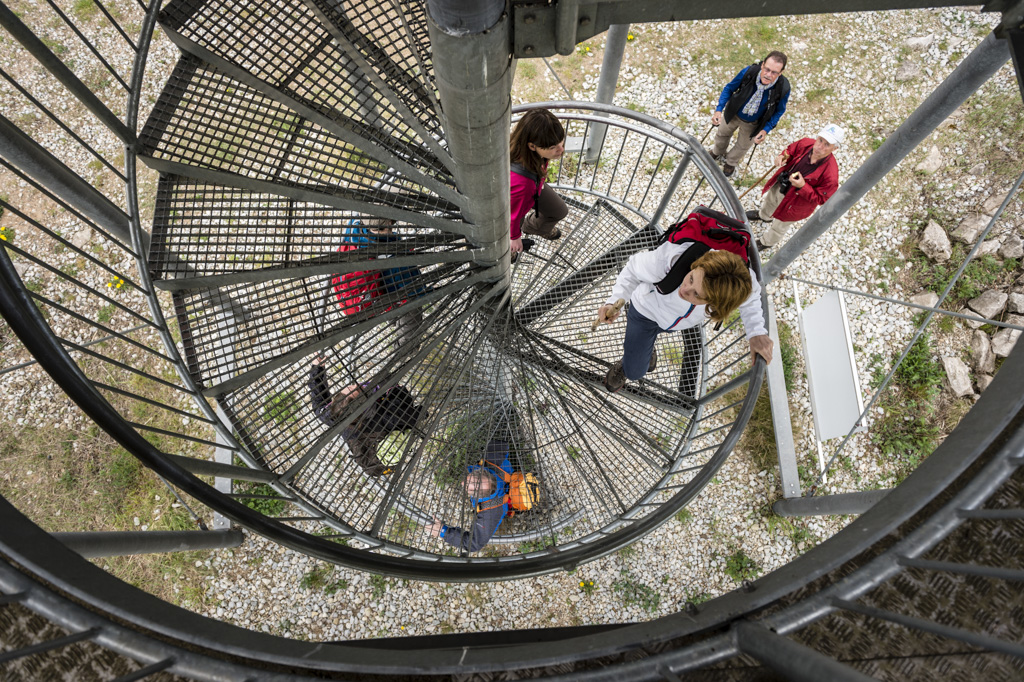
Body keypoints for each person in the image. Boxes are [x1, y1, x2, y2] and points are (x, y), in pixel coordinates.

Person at [597, 244, 773, 393]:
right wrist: (614, 300)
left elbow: (751, 297)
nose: (684, 290)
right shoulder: (669, 260)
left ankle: (644, 349)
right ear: (698, 265)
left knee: (648, 343)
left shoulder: (737, 282)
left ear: (716, 302)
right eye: (691, 278)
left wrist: (756, 332)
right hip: (645, 313)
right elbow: (633, 268)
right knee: (635, 371)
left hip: (674, 322)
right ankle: (634, 360)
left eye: (696, 294)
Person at [308, 356, 422, 477]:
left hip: (368, 436)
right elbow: (406, 417)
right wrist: (421, 412)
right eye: (358, 389)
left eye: (348, 389)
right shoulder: (379, 418)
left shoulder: (332, 415)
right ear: (363, 404)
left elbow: (317, 402)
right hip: (379, 446)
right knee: (397, 403)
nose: (354, 385)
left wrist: (317, 368)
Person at [331, 217, 424, 354]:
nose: (393, 227)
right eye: (390, 225)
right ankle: (404, 352)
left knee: (393, 311)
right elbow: (408, 285)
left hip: (377, 296)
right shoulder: (389, 253)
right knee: (410, 327)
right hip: (398, 293)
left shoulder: (354, 227)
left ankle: (396, 323)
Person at [747, 124, 843, 251]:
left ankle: (766, 242)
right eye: (820, 140)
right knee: (769, 202)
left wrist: (803, 186)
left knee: (780, 225)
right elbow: (790, 150)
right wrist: (782, 156)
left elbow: (822, 199)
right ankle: (764, 216)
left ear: (835, 148)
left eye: (827, 144)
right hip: (781, 185)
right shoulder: (806, 143)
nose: (819, 146)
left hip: (795, 204)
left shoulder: (830, 175)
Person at [709, 51, 791, 177]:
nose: (768, 75)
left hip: (754, 122)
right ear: (762, 65)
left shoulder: (783, 88)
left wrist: (765, 130)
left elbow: (779, 111)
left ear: (780, 73)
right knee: (722, 134)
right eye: (767, 69)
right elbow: (729, 88)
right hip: (733, 112)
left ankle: (731, 162)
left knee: (743, 146)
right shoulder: (748, 72)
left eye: (774, 72)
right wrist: (719, 109)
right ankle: (717, 151)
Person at [426, 440, 513, 553]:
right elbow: (502, 442)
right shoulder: (492, 459)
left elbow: (473, 544)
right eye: (470, 480)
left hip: (506, 500)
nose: (462, 484)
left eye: (470, 488)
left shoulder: (492, 511)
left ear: (479, 497)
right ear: (480, 472)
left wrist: (444, 532)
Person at [510, 109, 569, 259]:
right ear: (532, 146)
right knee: (511, 235)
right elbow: (512, 215)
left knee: (559, 211)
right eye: (552, 147)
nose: (561, 150)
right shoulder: (522, 185)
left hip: (534, 187)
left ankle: (532, 227)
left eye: (560, 141)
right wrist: (515, 237)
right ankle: (507, 253)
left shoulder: (529, 152)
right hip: (524, 194)